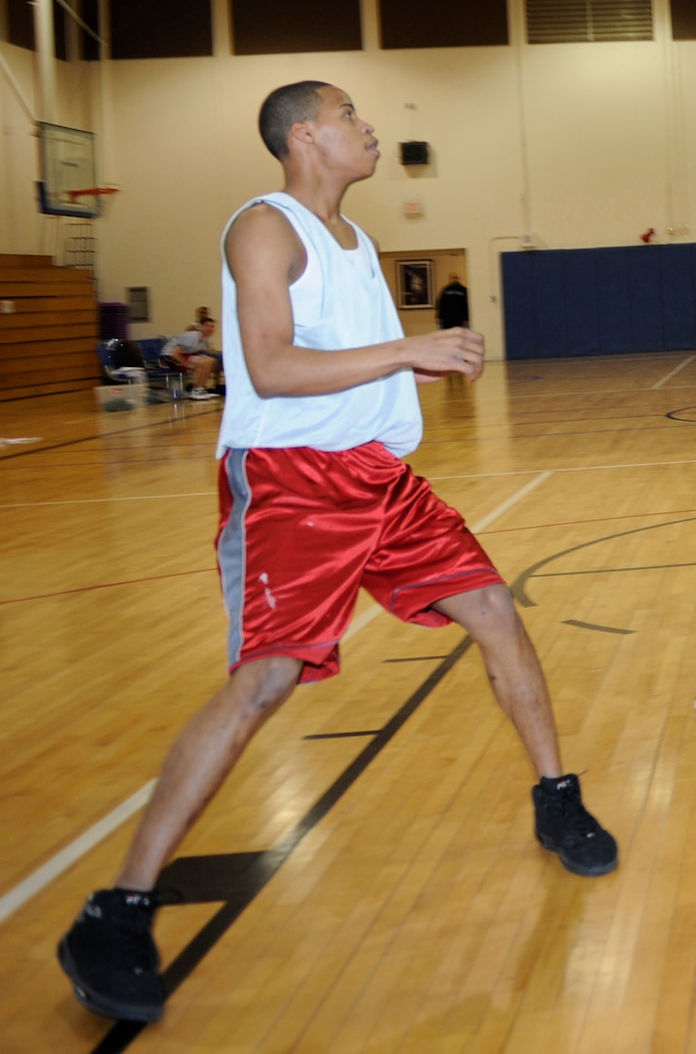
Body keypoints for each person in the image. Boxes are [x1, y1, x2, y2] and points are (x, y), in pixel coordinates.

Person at [57, 81, 617, 1027]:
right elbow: (270, 367)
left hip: (378, 479)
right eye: (351, 115)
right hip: (287, 481)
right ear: (304, 135)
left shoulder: (358, 241)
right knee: (264, 684)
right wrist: (412, 352)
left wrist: (409, 358)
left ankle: (555, 795)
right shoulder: (264, 227)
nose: (369, 127)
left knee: (492, 610)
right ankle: (119, 906)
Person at [164, 311, 221, 398]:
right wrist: (187, 365)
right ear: (201, 327)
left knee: (211, 361)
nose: (210, 328)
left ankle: (199, 389)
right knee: (201, 363)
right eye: (208, 326)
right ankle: (194, 390)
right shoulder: (192, 337)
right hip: (169, 356)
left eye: (212, 327)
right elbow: (175, 353)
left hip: (185, 354)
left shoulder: (205, 339)